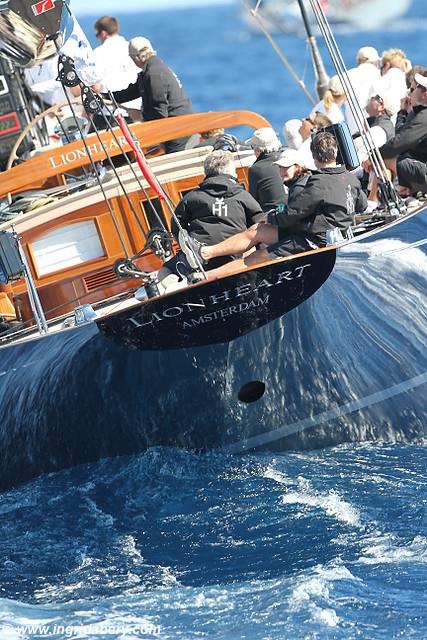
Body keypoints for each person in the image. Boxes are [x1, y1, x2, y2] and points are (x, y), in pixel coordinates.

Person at [180, 132, 367, 277]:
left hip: (316, 241)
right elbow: (362, 206)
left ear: (314, 156)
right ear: (335, 152)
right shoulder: (351, 179)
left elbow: (292, 214)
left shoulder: (318, 182)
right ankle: (205, 252)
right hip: (322, 235)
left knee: (256, 257)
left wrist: (270, 216)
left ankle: (206, 276)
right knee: (257, 231)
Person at [164, 150, 263, 278]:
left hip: (201, 258)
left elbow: (176, 225)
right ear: (229, 172)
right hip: (235, 254)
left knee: (165, 270)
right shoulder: (243, 196)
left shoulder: (191, 198)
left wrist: (188, 247)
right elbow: (259, 223)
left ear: (207, 172)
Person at [109, 36, 193, 153]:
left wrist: (140, 116)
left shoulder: (153, 74)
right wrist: (103, 96)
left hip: (178, 131)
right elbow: (129, 93)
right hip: (180, 125)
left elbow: (159, 113)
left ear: (135, 58)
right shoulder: (154, 68)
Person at [379, 71, 427, 197]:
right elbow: (402, 134)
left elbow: (400, 142)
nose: (410, 92)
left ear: (425, 95)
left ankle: (373, 201)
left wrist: (374, 155)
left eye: (414, 89)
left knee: (386, 159)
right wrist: (403, 113)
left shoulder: (425, 116)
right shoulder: (419, 113)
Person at [93, 16, 141, 122]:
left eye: (97, 34)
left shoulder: (98, 53)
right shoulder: (131, 47)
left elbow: (96, 86)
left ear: (103, 33)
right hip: (135, 110)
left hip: (110, 112)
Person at [246, 127, 286, 212]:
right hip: (287, 210)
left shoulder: (256, 169)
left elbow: (252, 203)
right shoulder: (285, 159)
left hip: (271, 215)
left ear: (257, 149)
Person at [344, 46, 381, 135]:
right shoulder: (377, 74)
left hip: (352, 130)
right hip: (371, 129)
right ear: (375, 62)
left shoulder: (347, 75)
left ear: (358, 61)